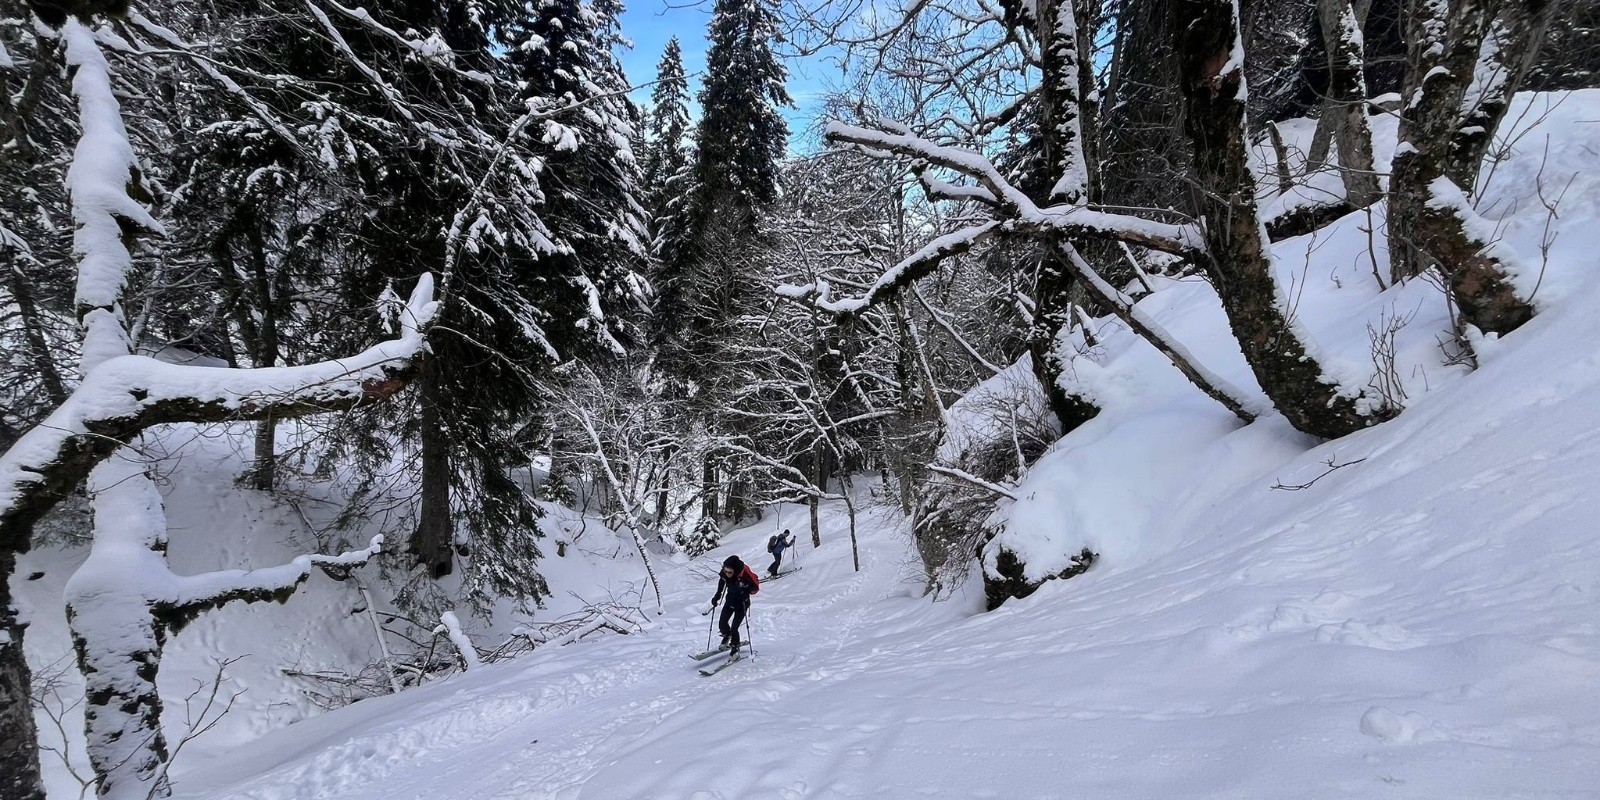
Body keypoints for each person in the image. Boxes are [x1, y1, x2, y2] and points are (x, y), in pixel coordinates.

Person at [710, 555, 760, 657]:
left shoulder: (744, 575)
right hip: (730, 601)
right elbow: (722, 581)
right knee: (722, 624)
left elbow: (755, 589)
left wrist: (747, 585)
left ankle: (735, 648)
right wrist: (717, 595)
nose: (727, 574)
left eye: (730, 572)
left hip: (742, 604)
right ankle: (728, 636)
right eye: (725, 571)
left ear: (735, 571)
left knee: (734, 627)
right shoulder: (725, 573)